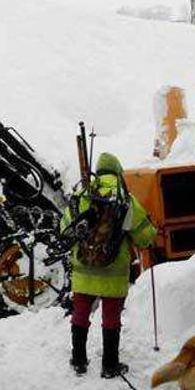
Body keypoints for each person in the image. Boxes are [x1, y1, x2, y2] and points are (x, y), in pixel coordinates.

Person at [62, 152, 157, 378]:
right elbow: (145, 237)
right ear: (117, 171)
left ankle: (79, 360)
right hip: (113, 270)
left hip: (84, 268)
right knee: (111, 317)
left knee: (81, 312)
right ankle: (110, 365)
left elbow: (64, 227)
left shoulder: (83, 193)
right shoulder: (125, 198)